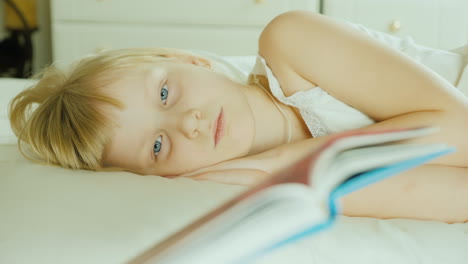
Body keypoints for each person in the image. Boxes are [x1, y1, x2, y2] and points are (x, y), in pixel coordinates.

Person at [9, 11, 468, 223]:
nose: (188, 122)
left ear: (190, 60)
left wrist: (286, 164)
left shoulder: (290, 44)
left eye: (166, 93)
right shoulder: (281, 188)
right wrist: (289, 179)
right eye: (157, 146)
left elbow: (459, 130)